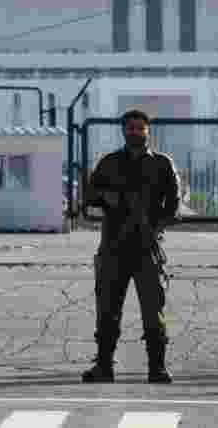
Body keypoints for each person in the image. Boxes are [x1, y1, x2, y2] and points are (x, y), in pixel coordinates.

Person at [81, 109, 180, 384]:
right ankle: (103, 366)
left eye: (140, 128)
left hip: (146, 249)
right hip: (114, 247)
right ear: (123, 131)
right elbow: (89, 196)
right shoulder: (109, 163)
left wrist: (151, 223)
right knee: (108, 310)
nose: (135, 132)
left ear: (148, 131)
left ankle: (157, 367)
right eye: (130, 128)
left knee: (155, 310)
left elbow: (173, 207)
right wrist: (109, 198)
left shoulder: (162, 165)